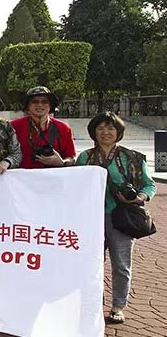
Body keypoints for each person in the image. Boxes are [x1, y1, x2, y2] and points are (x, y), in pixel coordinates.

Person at [75, 112, 156, 325]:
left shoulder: (131, 157)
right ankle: (94, 303)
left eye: (111, 128)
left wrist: (140, 197)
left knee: (121, 265)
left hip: (121, 218)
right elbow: (76, 184)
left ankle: (118, 306)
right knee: (92, 264)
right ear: (93, 132)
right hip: (91, 219)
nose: (105, 132)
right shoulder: (85, 157)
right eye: (101, 128)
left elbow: (149, 184)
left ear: (118, 132)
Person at [10, 86, 77, 169]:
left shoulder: (63, 128)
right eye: (35, 102)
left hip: (53, 175)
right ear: (28, 106)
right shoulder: (13, 126)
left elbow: (71, 159)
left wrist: (62, 162)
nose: (40, 105)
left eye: (44, 102)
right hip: (22, 176)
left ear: (50, 105)